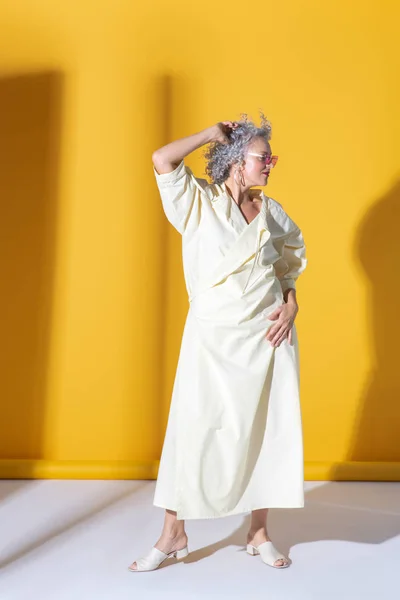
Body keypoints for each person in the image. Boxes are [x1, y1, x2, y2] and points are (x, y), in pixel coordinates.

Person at [129, 113, 307, 572]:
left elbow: (288, 268)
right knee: (193, 430)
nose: (271, 164)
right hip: (211, 338)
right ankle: (173, 533)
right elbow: (161, 158)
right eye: (262, 157)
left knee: (266, 432)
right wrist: (211, 133)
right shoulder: (197, 202)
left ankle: (259, 532)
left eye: (271, 157)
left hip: (267, 336)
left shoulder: (273, 212)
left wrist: (291, 305)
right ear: (235, 162)